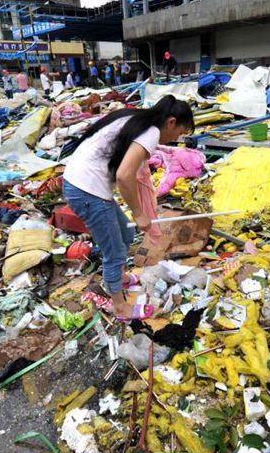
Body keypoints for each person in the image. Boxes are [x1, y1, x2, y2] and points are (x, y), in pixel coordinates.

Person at [62, 95, 194, 320]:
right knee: (114, 252)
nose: (175, 139)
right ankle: (120, 307)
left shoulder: (136, 118)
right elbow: (124, 176)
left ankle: (119, 277)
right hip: (86, 189)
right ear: (171, 122)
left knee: (125, 233)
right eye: (179, 133)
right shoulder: (150, 131)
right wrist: (139, 213)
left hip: (84, 183)